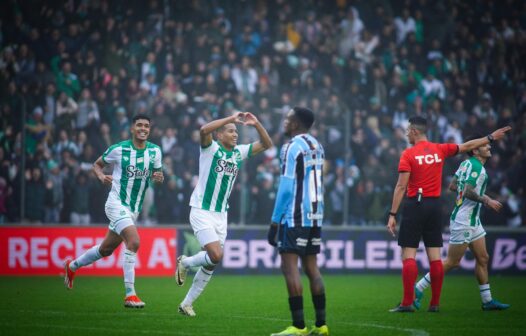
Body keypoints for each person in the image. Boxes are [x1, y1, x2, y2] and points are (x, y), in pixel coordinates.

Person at [386, 116, 510, 312]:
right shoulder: (439, 149)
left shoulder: (408, 154)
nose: (407, 133)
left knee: (408, 254)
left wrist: (392, 214)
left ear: (415, 131)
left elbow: (401, 186)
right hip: (435, 206)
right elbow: (467, 145)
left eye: (408, 130)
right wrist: (490, 137)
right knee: (436, 258)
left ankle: (408, 302)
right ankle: (434, 304)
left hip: (416, 204)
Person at [175, 111, 272, 316]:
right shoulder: (210, 149)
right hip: (202, 209)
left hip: (221, 215)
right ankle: (186, 263)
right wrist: (230, 118)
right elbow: (203, 130)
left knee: (212, 262)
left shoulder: (239, 152)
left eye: (236, 131)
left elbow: (266, 144)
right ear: (220, 135)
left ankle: (186, 302)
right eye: (230, 131)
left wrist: (256, 124)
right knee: (216, 254)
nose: (235, 134)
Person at [63, 114, 164, 308]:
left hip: (133, 209)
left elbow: (156, 174)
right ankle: (130, 295)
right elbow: (97, 164)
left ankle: (72, 266)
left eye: (146, 126)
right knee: (133, 241)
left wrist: (159, 177)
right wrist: (100, 176)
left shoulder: (155, 152)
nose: (143, 128)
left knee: (106, 250)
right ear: (132, 129)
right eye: (139, 125)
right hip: (116, 203)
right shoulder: (119, 149)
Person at [414, 135, 510, 311]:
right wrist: (487, 201)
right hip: (464, 220)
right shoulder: (476, 167)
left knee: (483, 258)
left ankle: (487, 301)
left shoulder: (465, 164)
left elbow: (453, 186)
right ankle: (419, 287)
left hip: (473, 220)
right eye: (485, 145)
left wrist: (483, 197)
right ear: (475, 150)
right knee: (452, 262)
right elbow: (467, 191)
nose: (489, 147)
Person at [268, 107, 329, 336]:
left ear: (295, 124)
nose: (284, 122)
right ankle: (321, 326)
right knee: (312, 268)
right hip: (315, 213)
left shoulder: (291, 147)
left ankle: (299, 326)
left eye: (287, 119)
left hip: (295, 215)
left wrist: (274, 222)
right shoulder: (317, 145)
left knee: (289, 267)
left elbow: (285, 187)